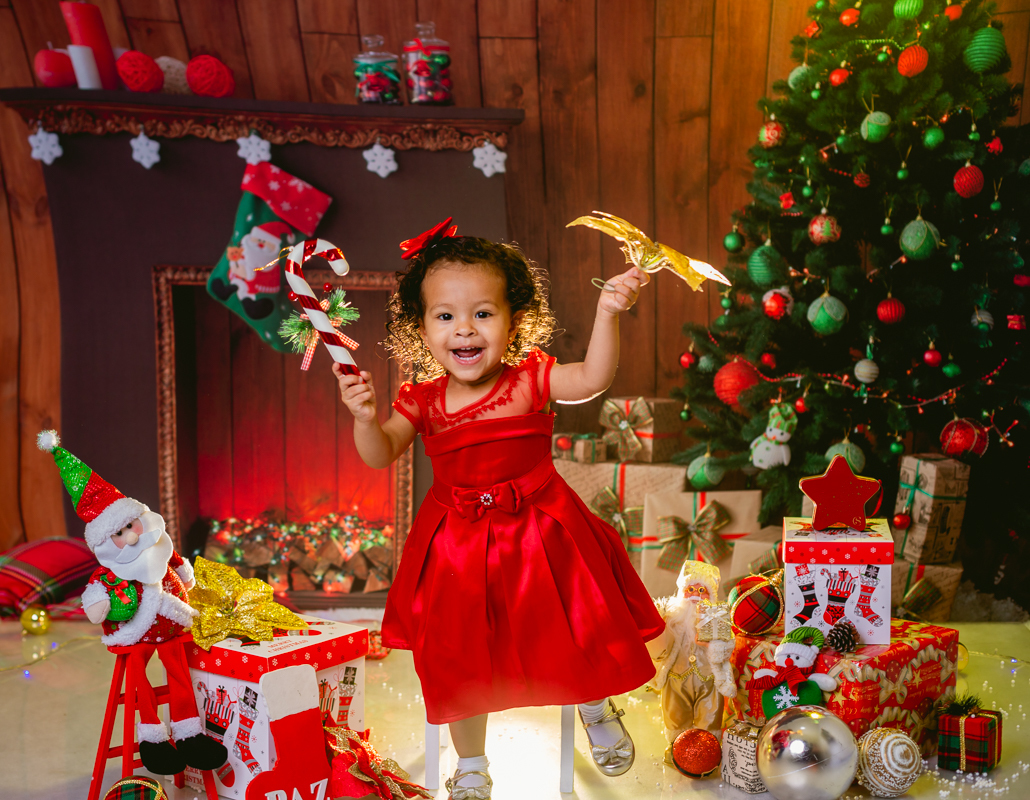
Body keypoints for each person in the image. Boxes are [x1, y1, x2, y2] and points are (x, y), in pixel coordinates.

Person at [334, 219, 665, 798]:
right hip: (459, 545)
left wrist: (607, 313)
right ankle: (471, 763)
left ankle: (593, 703)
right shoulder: (422, 399)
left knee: (572, 621)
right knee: (458, 656)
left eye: (483, 313)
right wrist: (364, 419)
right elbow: (380, 453)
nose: (465, 328)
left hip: (543, 530)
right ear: (422, 328)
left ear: (514, 320)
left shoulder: (529, 379)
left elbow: (591, 378)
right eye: (445, 316)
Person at [37, 430, 228, 777]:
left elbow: (176, 565)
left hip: (172, 630)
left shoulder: (158, 548)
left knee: (180, 675)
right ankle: (153, 738)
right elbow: (96, 594)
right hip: (136, 635)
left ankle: (189, 733)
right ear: (106, 541)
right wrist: (98, 606)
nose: (133, 535)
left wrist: (185, 575)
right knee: (139, 679)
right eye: (120, 533)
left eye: (132, 525)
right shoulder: (110, 570)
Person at [645, 560, 737, 760]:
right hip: (676, 678)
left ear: (710, 595)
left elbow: (729, 646)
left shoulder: (718, 617)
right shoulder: (671, 617)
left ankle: (706, 755)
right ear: (682, 591)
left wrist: (712, 645)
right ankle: (677, 751)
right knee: (675, 716)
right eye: (691, 589)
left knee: (710, 717)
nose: (696, 594)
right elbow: (659, 641)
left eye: (702, 589)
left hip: (708, 680)